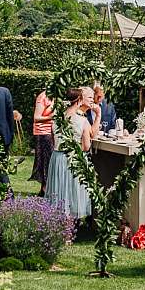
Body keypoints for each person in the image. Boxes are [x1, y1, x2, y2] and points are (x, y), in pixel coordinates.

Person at [44, 86, 95, 224]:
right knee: (72, 192)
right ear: (79, 100)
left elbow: (54, 140)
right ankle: (69, 228)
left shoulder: (57, 118)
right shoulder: (82, 120)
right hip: (73, 159)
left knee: (59, 191)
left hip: (57, 158)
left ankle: (58, 226)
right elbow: (86, 146)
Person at [32, 88, 56, 191]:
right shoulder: (42, 97)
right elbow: (36, 117)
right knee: (45, 161)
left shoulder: (56, 97)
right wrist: (51, 116)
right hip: (43, 133)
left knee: (50, 160)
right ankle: (44, 187)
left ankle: (48, 187)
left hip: (52, 132)